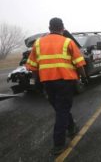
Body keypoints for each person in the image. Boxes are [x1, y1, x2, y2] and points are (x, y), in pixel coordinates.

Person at [26, 17, 88, 155]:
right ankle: (58, 144)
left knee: (61, 108)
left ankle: (71, 127)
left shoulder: (38, 43)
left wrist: (37, 83)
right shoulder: (68, 42)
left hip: (47, 82)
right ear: (62, 28)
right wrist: (84, 77)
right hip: (65, 82)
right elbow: (79, 63)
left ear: (49, 28)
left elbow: (33, 66)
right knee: (62, 110)